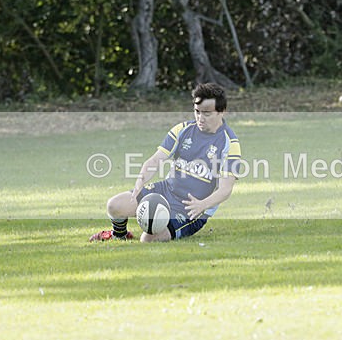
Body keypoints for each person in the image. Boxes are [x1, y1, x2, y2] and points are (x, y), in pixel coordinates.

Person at [90, 83, 242, 242]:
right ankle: (119, 236)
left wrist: (202, 205)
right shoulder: (182, 130)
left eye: (207, 114)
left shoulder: (229, 144)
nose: (200, 118)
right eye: (197, 112)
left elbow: (225, 189)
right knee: (114, 205)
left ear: (222, 112)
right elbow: (155, 160)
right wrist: (140, 182)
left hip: (191, 209)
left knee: (147, 240)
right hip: (164, 192)